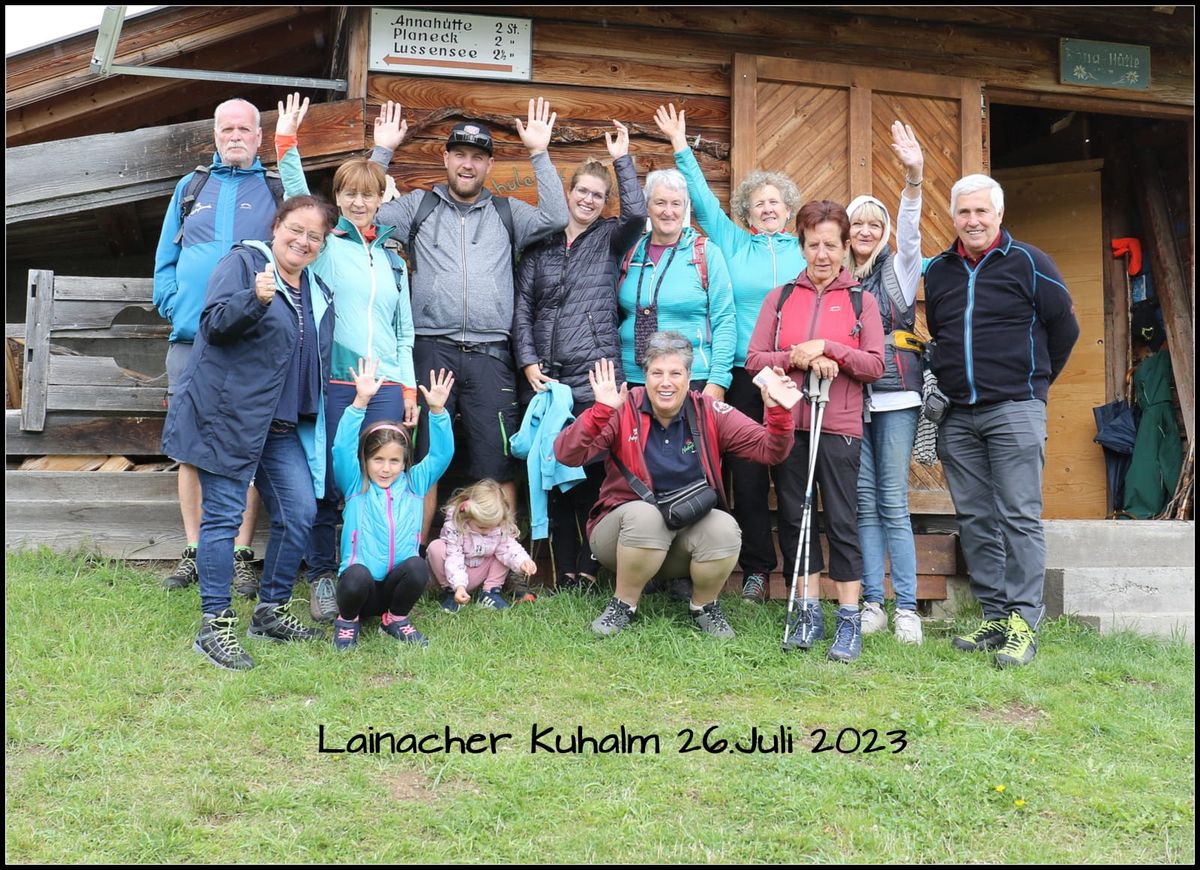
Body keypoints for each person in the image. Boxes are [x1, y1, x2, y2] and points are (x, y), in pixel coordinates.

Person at [370, 98, 569, 538]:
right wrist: (382, 151)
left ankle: (510, 566)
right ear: (445, 158)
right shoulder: (418, 206)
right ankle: (414, 559)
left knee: (498, 463)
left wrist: (539, 151)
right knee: (423, 458)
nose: (467, 164)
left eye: (477, 157)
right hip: (429, 350)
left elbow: (556, 217)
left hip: (490, 354)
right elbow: (365, 213)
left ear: (489, 165)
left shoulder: (506, 211)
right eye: (459, 154)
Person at [161, 195, 338, 671]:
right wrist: (253, 301)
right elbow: (213, 326)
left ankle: (270, 610)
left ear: (322, 246)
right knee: (222, 518)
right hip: (228, 417)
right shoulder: (244, 264)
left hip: (279, 426)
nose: (303, 240)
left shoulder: (319, 293)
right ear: (276, 226)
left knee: (300, 511)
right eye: (295, 229)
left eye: (314, 236)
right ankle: (214, 625)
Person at [273, 93, 418, 624]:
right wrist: (287, 141)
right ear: (339, 200)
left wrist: (406, 389)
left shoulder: (392, 259)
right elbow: (294, 196)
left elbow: (404, 331)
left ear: (381, 200)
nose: (359, 203)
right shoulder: (328, 246)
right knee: (330, 481)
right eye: (349, 195)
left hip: (383, 386)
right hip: (335, 382)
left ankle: (375, 578)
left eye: (368, 195)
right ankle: (323, 579)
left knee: (378, 477)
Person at [653, 102, 805, 604]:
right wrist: (680, 146)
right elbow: (699, 198)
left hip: (794, 377)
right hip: (743, 374)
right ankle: (758, 569)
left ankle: (800, 573)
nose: (766, 209)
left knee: (790, 474)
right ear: (747, 211)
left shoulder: (805, 253)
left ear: (788, 210)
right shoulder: (731, 243)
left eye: (775, 203)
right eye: (758, 203)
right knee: (745, 473)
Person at [925, 174, 1079, 668]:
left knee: (1018, 516)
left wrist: (1033, 383)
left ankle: (1024, 622)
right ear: (954, 217)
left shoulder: (1030, 263)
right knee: (975, 518)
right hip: (957, 414)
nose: (972, 221)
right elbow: (943, 333)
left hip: (1014, 408)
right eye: (964, 212)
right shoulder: (940, 270)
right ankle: (995, 614)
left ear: (998, 215)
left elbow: (1065, 328)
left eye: (981, 212)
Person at [555, 332, 795, 639]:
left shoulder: (708, 411)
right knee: (646, 517)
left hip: (682, 538)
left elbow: (770, 450)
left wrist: (778, 413)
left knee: (724, 527)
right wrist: (601, 411)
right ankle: (622, 603)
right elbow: (566, 455)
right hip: (618, 539)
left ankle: (704, 606)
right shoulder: (622, 407)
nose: (665, 382)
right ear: (645, 375)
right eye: (657, 373)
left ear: (689, 376)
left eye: (675, 373)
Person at [746, 200, 885, 663]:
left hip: (840, 426)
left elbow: (875, 365)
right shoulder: (781, 298)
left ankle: (848, 620)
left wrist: (831, 348)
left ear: (846, 246)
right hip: (791, 424)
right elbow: (755, 360)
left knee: (842, 521)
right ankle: (806, 609)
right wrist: (797, 356)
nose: (822, 254)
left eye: (830, 244)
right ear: (801, 247)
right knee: (794, 517)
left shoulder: (862, 301)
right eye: (813, 245)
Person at [512, 121, 647, 593]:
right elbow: (522, 306)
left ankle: (589, 570)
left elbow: (638, 214)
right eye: (581, 192)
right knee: (554, 475)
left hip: (596, 375)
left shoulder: (612, 237)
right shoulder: (541, 241)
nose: (587, 200)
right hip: (548, 381)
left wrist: (622, 161)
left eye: (596, 194)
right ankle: (564, 571)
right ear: (567, 194)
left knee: (589, 475)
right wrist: (528, 360)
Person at [154, 98, 277, 597]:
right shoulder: (191, 187)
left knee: (246, 446)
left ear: (259, 137)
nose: (235, 136)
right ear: (214, 134)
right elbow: (167, 256)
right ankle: (194, 550)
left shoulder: (273, 188)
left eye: (244, 129)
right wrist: (173, 303)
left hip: (249, 339)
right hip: (190, 339)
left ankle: (240, 553)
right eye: (226, 129)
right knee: (189, 449)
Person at [846, 121, 927, 644]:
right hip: (852, 398)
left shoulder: (900, 269)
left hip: (896, 392)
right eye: (860, 224)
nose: (869, 231)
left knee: (893, 500)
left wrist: (912, 180)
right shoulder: (835, 276)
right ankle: (872, 601)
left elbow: (913, 227)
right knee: (864, 501)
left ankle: (908, 609)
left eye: (877, 224)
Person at [329, 358, 455, 651]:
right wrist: (360, 402)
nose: (385, 468)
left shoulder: (414, 483)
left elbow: (441, 455)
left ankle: (395, 619)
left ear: (404, 461)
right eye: (378, 460)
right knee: (356, 575)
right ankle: (347, 622)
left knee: (417, 567)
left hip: (396, 587)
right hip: (361, 590)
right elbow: (341, 448)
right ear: (366, 460)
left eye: (394, 461)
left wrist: (437, 412)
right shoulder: (355, 483)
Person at [617, 169, 736, 402]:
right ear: (647, 206)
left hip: (692, 379)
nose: (668, 211)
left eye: (676, 204)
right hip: (634, 380)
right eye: (660, 202)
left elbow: (724, 320)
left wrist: (718, 381)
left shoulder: (705, 253)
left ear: (686, 208)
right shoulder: (630, 252)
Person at [427, 480, 539, 612]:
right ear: (468, 516)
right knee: (436, 547)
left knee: (504, 551)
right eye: (481, 527)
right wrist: (459, 586)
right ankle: (452, 594)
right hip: (455, 574)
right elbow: (454, 557)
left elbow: (511, 548)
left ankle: (490, 592)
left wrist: (523, 561)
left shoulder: (499, 527)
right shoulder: (456, 526)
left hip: (480, 571)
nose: (487, 531)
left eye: (493, 526)